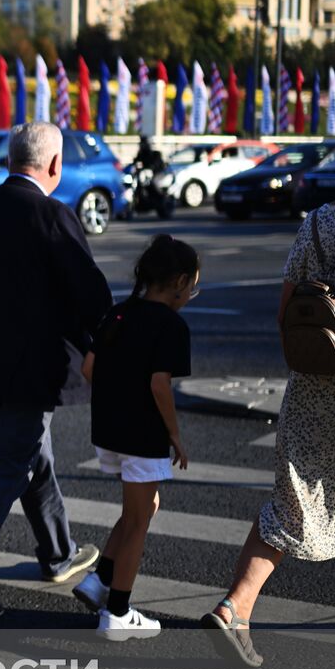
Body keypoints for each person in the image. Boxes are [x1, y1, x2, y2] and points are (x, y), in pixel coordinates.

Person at [203, 119, 335, 667]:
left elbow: (286, 310)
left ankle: (235, 607)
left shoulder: (314, 223)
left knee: (293, 500)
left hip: (312, 384)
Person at [0, 121, 113, 621]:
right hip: (36, 369)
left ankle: (58, 554)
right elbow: (92, 296)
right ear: (54, 165)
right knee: (10, 464)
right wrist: (104, 346)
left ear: (11, 159)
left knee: (34, 455)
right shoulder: (53, 214)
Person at [74, 236, 199, 640]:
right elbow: (160, 384)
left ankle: (99, 581)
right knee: (139, 522)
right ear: (180, 281)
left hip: (107, 432)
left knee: (141, 508)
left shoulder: (118, 313)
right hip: (141, 435)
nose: (191, 294)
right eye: (193, 286)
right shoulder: (171, 325)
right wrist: (175, 435)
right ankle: (118, 614)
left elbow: (89, 370)